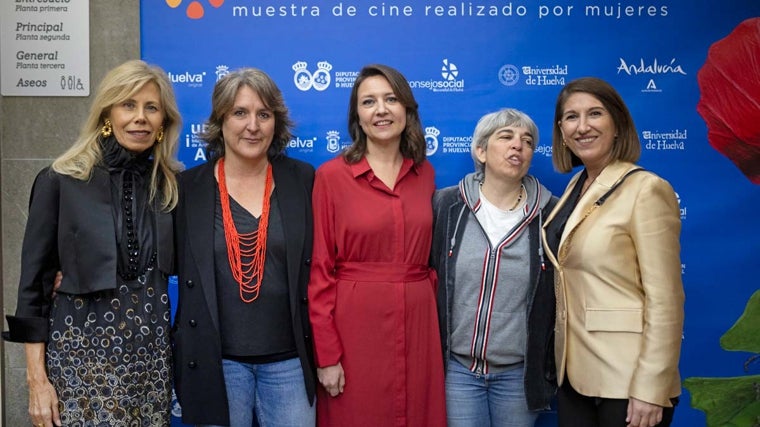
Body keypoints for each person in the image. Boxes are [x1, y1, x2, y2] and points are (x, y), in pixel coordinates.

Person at [3, 59, 182, 426]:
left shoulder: (171, 186)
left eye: (151, 107)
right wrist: (37, 381)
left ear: (163, 122)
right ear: (107, 113)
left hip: (151, 371)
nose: (140, 117)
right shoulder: (60, 180)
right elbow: (33, 289)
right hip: (79, 368)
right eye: (127, 105)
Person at [172, 68, 317, 427]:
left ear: (276, 124)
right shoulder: (187, 189)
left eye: (263, 114)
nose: (252, 125)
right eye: (240, 113)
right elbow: (151, 255)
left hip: (291, 365)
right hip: (216, 364)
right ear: (220, 121)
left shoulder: (304, 181)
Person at [308, 64, 446, 426]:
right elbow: (320, 270)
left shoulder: (425, 174)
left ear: (407, 110)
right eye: (369, 101)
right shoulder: (330, 177)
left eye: (391, 99)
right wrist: (327, 356)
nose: (381, 110)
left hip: (419, 328)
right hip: (355, 332)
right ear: (357, 114)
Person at [542, 77, 684, 427]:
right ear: (561, 130)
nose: (583, 126)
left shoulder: (646, 189)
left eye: (595, 114)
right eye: (571, 117)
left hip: (628, 380)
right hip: (574, 375)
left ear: (618, 124)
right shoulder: (577, 187)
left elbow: (665, 298)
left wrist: (651, 387)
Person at [431, 108, 557, 427]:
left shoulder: (552, 215)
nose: (518, 145)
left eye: (527, 141)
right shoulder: (446, 205)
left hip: (518, 375)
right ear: (481, 150)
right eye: (506, 137)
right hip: (457, 371)